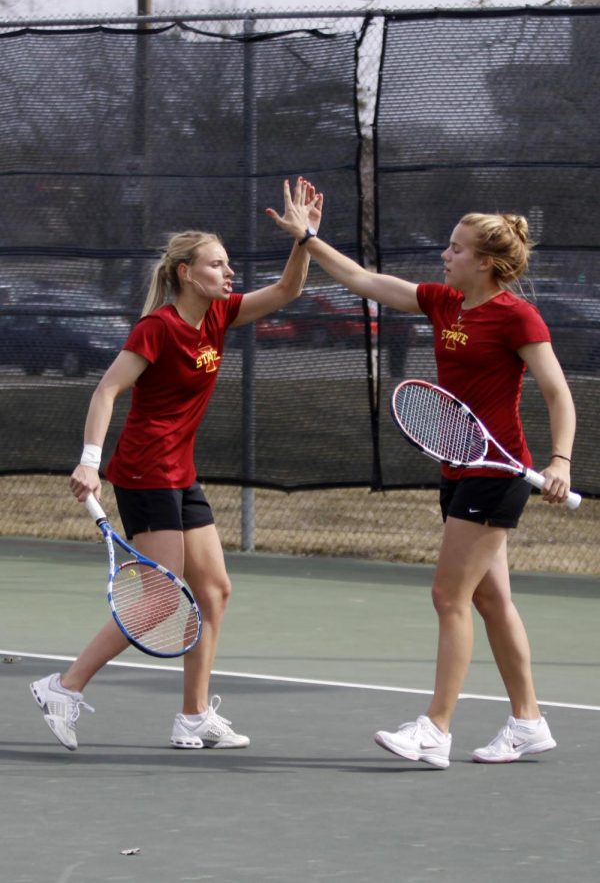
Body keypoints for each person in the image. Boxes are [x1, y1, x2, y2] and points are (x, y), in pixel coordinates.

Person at [267, 183, 576, 768]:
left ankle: (435, 729)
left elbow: (559, 394)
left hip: (496, 471)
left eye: (456, 249)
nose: (445, 255)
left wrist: (560, 460)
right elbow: (362, 280)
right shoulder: (443, 303)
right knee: (491, 600)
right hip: (458, 469)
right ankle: (528, 721)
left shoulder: (517, 316)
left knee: (448, 596)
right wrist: (308, 238)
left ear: (486, 263)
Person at [30, 177, 323, 752]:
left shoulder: (219, 316)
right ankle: (63, 686)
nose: (229, 273)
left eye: (229, 265)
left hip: (180, 473)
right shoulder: (157, 328)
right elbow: (106, 392)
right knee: (163, 598)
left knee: (213, 591)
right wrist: (90, 462)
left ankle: (192, 716)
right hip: (144, 473)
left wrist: (304, 238)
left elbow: (288, 290)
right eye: (217, 265)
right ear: (187, 273)